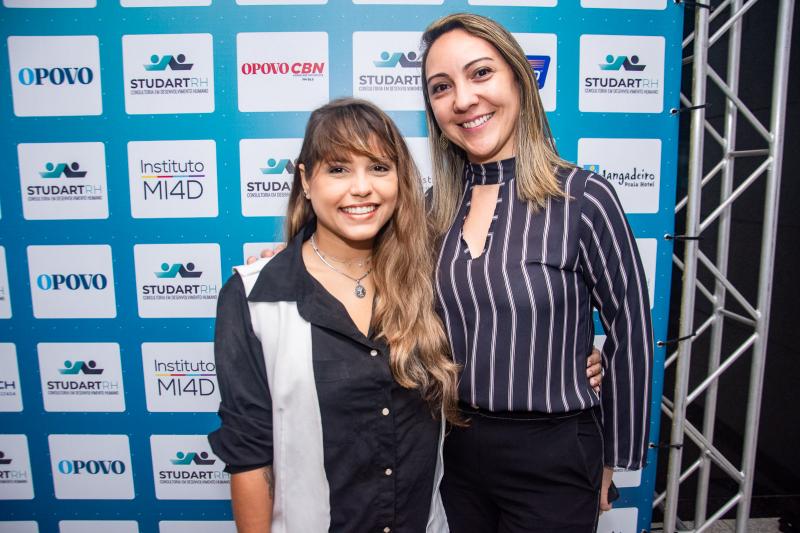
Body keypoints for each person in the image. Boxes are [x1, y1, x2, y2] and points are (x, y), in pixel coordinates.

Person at [219, 98, 604, 532]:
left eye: (379, 168)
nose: (361, 187)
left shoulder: (429, 278)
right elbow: (249, 458)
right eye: (338, 169)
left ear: (400, 180)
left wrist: (573, 359)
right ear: (306, 181)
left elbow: (500, 320)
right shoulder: (256, 298)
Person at [420, 13, 653, 533]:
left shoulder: (584, 197)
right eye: (441, 87)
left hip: (556, 456)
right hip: (454, 453)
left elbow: (630, 328)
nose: (463, 99)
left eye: (481, 73)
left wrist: (612, 458)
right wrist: (295, 257)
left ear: (519, 80)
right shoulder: (432, 210)